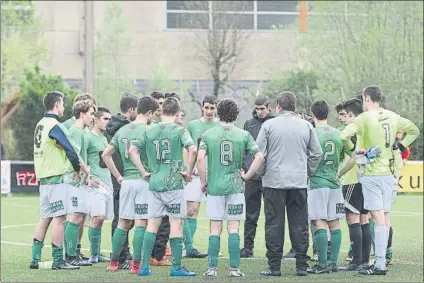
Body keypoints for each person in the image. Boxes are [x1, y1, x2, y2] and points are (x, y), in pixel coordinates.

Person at [340, 85, 420, 275]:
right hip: (390, 173)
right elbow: (415, 130)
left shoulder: (364, 118)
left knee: (376, 217)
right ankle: (380, 261)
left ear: (366, 98)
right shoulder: (393, 116)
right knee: (383, 216)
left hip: (372, 172)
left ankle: (380, 265)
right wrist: (400, 146)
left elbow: (343, 135)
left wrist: (357, 150)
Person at [256, 91, 322, 277]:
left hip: (274, 182)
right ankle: (301, 265)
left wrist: (263, 173)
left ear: (278, 106)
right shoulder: (306, 126)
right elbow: (317, 153)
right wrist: (307, 171)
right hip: (298, 182)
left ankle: (274, 266)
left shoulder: (269, 125)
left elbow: (259, 154)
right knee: (299, 224)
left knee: (274, 224)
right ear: (295, 106)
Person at [198, 99, 264, 277]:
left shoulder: (208, 134)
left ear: (218, 112)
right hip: (235, 187)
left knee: (214, 228)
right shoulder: (243, 135)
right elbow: (259, 156)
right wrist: (247, 176)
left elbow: (199, 158)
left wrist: (203, 181)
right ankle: (234, 268)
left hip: (215, 187)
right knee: (233, 228)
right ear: (235, 114)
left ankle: (212, 269)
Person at [133, 97, 198, 277]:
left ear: (161, 112)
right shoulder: (180, 130)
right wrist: (188, 171)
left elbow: (132, 150)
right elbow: (193, 150)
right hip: (174, 183)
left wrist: (143, 172)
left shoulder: (149, 130)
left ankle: (144, 267)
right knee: (176, 223)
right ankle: (176, 268)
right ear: (177, 112)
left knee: (152, 224)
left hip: (155, 182)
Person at [30, 91, 88, 270]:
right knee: (60, 218)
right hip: (56, 178)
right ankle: (58, 261)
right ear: (56, 105)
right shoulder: (55, 124)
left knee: (45, 218)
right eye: (62, 104)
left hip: (44, 179)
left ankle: (35, 258)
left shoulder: (40, 124)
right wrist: (79, 169)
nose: (63, 107)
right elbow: (70, 149)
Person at [102, 96, 159, 273]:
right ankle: (135, 265)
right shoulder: (150, 130)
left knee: (123, 223)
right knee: (141, 223)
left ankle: (113, 263)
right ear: (149, 112)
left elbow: (105, 155)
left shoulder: (123, 130)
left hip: (126, 182)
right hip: (143, 181)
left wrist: (118, 176)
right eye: (154, 114)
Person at [306, 100, 352, 274]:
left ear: (312, 114)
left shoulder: (311, 133)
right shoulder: (338, 133)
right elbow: (354, 155)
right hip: (334, 183)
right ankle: (333, 263)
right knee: (334, 223)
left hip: (317, 183)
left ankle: (323, 264)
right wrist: (340, 173)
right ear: (328, 114)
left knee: (319, 222)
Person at [336, 98, 372, 271]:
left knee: (352, 218)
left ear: (351, 114)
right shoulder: (368, 127)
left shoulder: (353, 129)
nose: (343, 118)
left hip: (352, 180)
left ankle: (356, 261)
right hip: (367, 179)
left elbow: (353, 157)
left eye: (345, 114)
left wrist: (340, 173)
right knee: (364, 218)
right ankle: (365, 260)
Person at [105, 93, 138, 269]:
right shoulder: (127, 129)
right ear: (132, 109)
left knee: (124, 219)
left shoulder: (111, 127)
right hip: (125, 178)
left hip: (119, 177)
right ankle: (120, 256)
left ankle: (122, 252)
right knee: (123, 219)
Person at [62, 92, 97, 261]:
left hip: (81, 182)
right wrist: (85, 170)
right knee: (75, 216)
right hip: (74, 182)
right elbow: (74, 155)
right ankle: (70, 255)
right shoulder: (75, 131)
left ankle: (74, 252)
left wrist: (88, 176)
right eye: (91, 113)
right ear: (82, 114)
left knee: (80, 216)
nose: (93, 117)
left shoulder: (82, 131)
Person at [184, 94, 219, 258]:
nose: (209, 111)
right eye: (206, 107)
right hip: (196, 175)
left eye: (212, 108)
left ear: (216, 108)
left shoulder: (220, 126)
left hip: (215, 175)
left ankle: (214, 247)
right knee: (192, 210)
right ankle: (187, 247)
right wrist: (190, 169)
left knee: (216, 212)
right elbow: (186, 149)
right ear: (202, 108)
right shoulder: (193, 125)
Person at [240, 95, 274, 258]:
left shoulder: (274, 123)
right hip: (252, 176)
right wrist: (245, 168)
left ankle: (272, 249)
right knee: (250, 215)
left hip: (270, 176)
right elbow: (244, 148)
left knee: (272, 215)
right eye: (257, 108)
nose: (259, 111)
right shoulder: (249, 124)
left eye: (262, 108)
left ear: (269, 107)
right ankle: (248, 248)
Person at [85, 107, 114, 263]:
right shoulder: (88, 137)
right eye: (105, 119)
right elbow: (80, 158)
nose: (108, 122)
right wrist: (87, 178)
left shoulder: (104, 138)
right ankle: (93, 254)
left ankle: (97, 253)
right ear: (96, 119)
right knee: (98, 217)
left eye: (110, 119)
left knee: (102, 219)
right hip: (95, 184)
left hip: (106, 182)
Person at [149, 91, 172, 265]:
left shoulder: (166, 124)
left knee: (164, 218)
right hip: (153, 177)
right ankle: (152, 254)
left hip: (164, 176)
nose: (160, 106)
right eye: (157, 102)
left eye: (162, 102)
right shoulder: (148, 125)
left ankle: (158, 254)